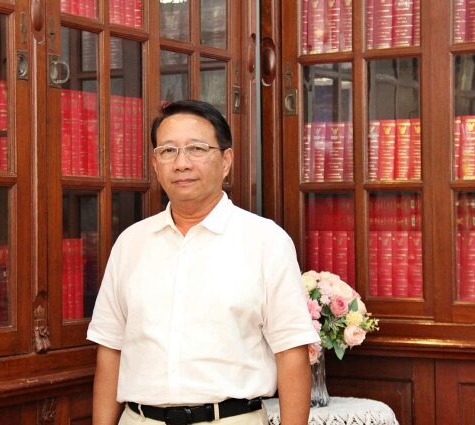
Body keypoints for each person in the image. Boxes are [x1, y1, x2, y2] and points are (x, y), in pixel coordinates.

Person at [87, 100, 319, 425]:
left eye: (196, 149)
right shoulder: (131, 243)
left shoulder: (266, 241)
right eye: (168, 151)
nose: (181, 163)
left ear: (226, 161)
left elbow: (291, 352)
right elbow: (111, 349)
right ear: (155, 164)